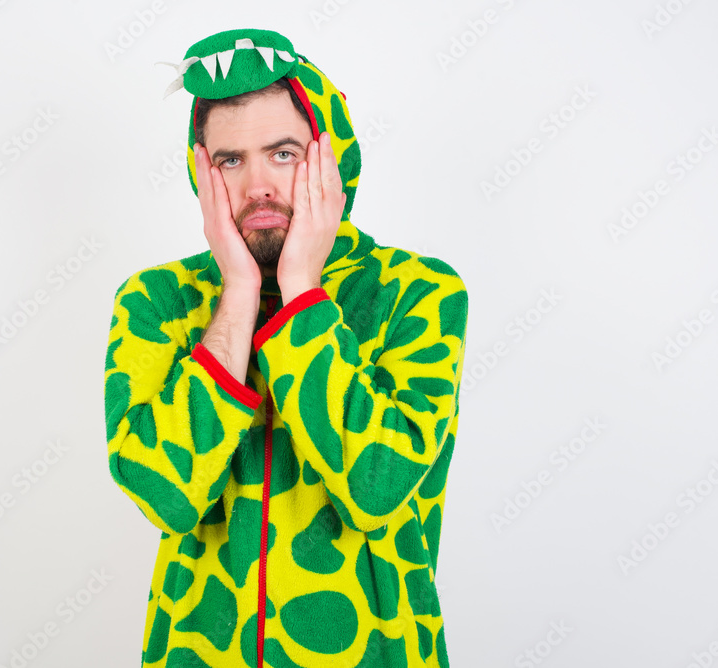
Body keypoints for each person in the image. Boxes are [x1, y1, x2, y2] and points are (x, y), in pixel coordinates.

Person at [105, 27, 468, 668]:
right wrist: (239, 293)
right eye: (230, 160)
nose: (257, 187)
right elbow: (165, 494)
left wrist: (299, 290)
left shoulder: (418, 293)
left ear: (331, 159)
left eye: (283, 154)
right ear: (202, 171)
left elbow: (375, 487)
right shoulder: (155, 301)